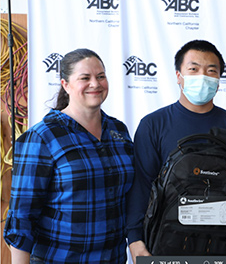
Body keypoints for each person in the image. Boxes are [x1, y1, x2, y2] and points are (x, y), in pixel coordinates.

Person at [126, 40, 226, 262]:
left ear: (219, 79)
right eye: (193, 69)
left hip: (220, 244)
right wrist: (134, 240)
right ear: (179, 76)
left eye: (211, 70)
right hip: (164, 241)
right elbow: (141, 185)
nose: (202, 76)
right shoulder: (154, 124)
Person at [3, 48, 135, 264]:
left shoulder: (118, 130)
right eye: (85, 78)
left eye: (101, 76)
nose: (95, 83)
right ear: (66, 84)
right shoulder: (42, 136)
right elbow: (22, 217)